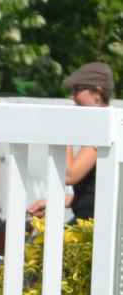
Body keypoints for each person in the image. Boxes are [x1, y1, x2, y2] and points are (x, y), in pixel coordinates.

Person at [27, 61, 114, 221]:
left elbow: (69, 175)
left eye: (77, 90)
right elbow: (91, 195)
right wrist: (51, 202)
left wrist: (62, 134)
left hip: (94, 227)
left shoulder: (103, 130)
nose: (72, 96)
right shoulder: (105, 126)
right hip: (92, 220)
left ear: (98, 92)